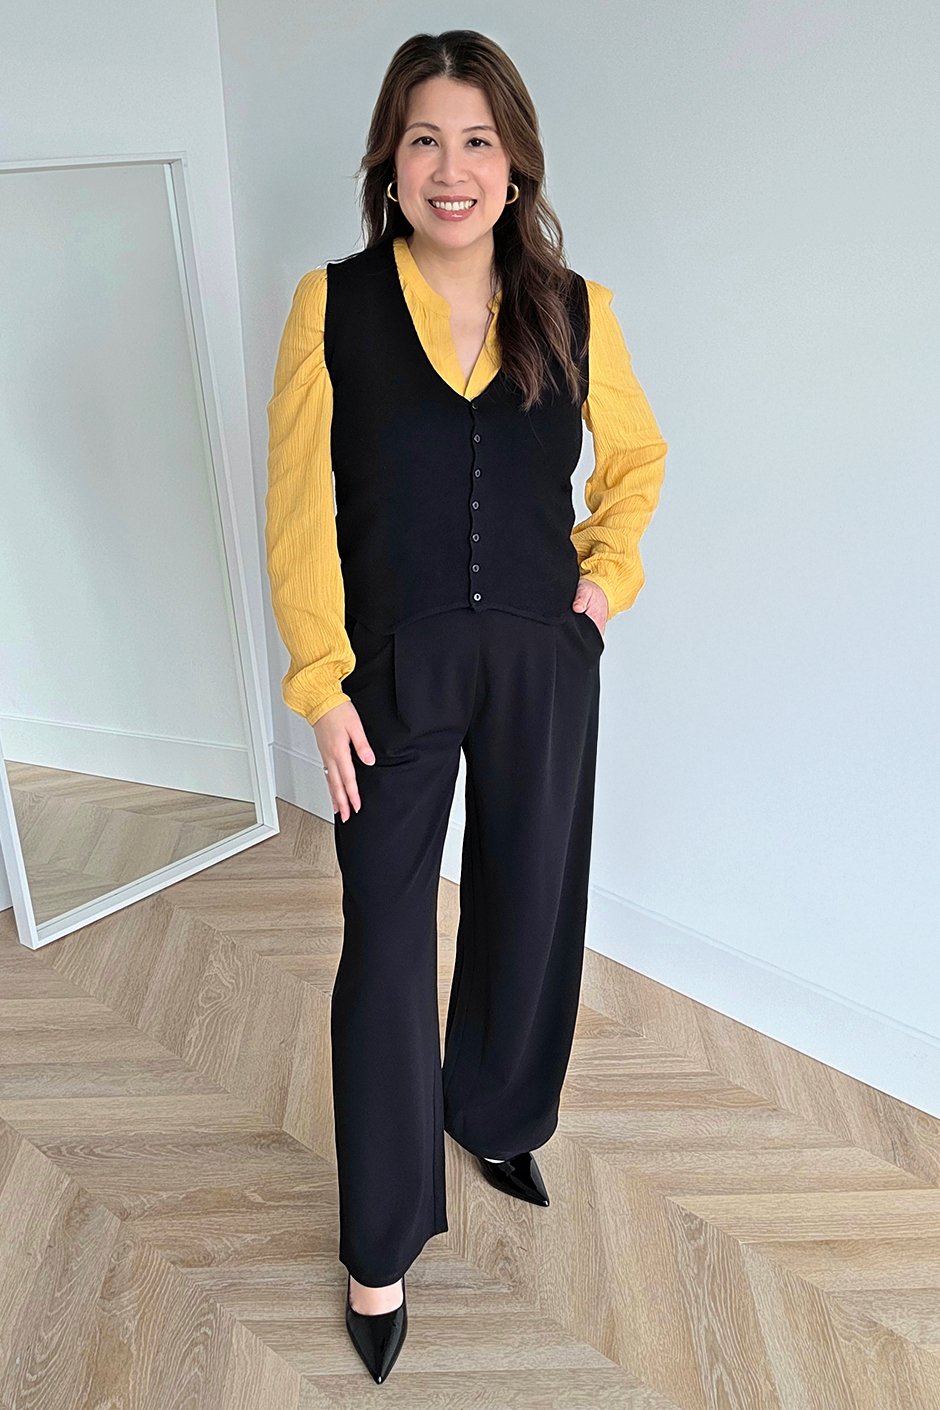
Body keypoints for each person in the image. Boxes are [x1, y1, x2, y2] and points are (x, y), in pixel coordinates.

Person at [265, 29, 668, 1384]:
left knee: (529, 898)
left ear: (515, 162)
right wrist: (320, 684)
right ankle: (380, 1244)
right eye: (426, 138)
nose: (453, 167)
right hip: (389, 673)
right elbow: (298, 514)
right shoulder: (330, 309)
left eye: (478, 140)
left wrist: (600, 590)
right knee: (384, 941)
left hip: (540, 659)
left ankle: (497, 1111)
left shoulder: (576, 307)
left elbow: (637, 460)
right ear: (391, 162)